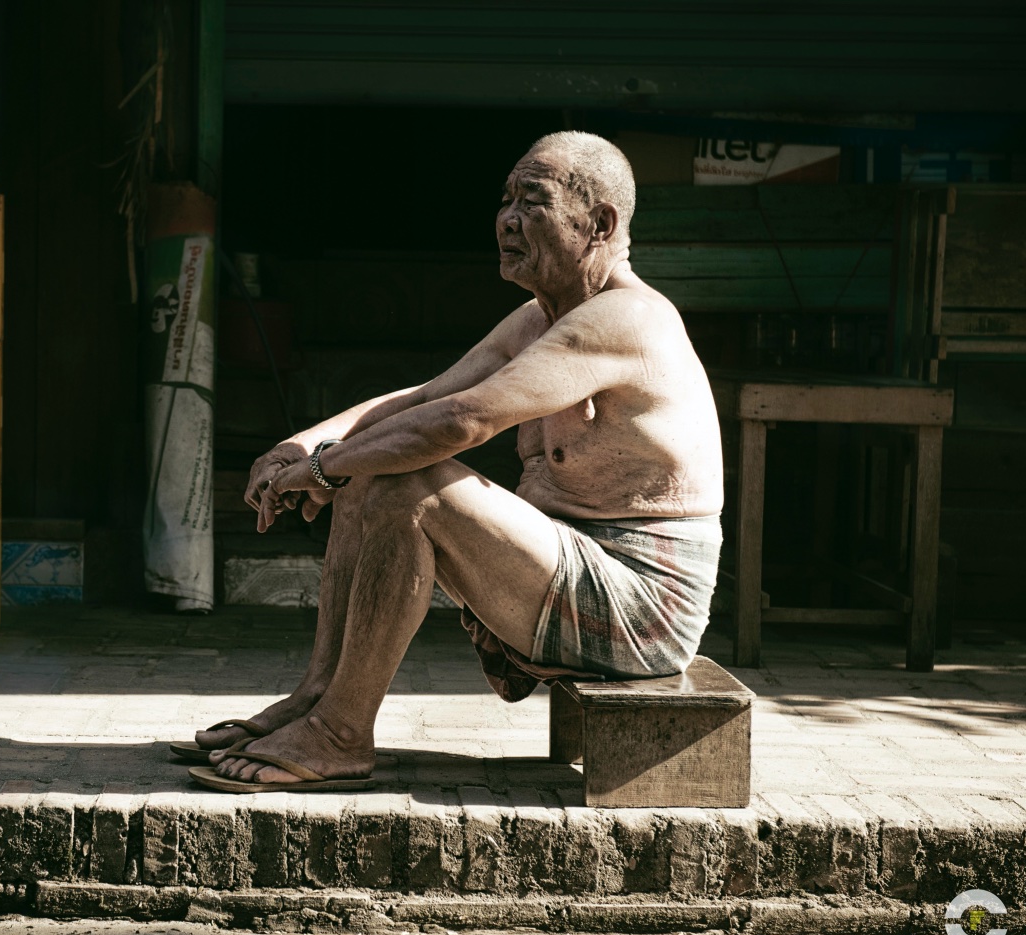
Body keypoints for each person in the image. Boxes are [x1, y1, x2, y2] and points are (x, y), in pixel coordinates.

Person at [178, 131, 725, 793]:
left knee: (414, 484)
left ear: (601, 224)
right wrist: (303, 445)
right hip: (577, 572)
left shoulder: (626, 319)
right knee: (375, 474)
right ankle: (318, 700)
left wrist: (325, 468)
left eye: (534, 202)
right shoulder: (539, 319)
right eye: (505, 200)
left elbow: (466, 420)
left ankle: (341, 734)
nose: (508, 219)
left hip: (643, 607)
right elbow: (426, 396)